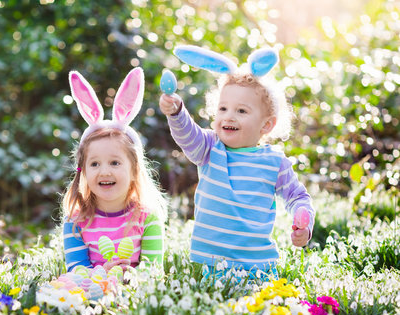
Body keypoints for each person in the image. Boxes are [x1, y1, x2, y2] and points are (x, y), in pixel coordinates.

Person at [158, 45, 315, 280]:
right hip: (208, 265)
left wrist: (303, 219)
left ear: (266, 125)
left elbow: (297, 196)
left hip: (256, 267)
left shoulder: (274, 162)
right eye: (223, 108)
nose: (229, 116)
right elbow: (187, 135)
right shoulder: (210, 148)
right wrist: (177, 112)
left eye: (241, 111)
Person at [61, 67, 167, 273]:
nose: (104, 171)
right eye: (94, 164)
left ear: (135, 170)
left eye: (115, 163)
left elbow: (154, 271)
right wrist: (104, 273)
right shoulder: (75, 222)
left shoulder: (147, 218)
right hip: (92, 295)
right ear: (82, 171)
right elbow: (76, 271)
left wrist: (131, 276)